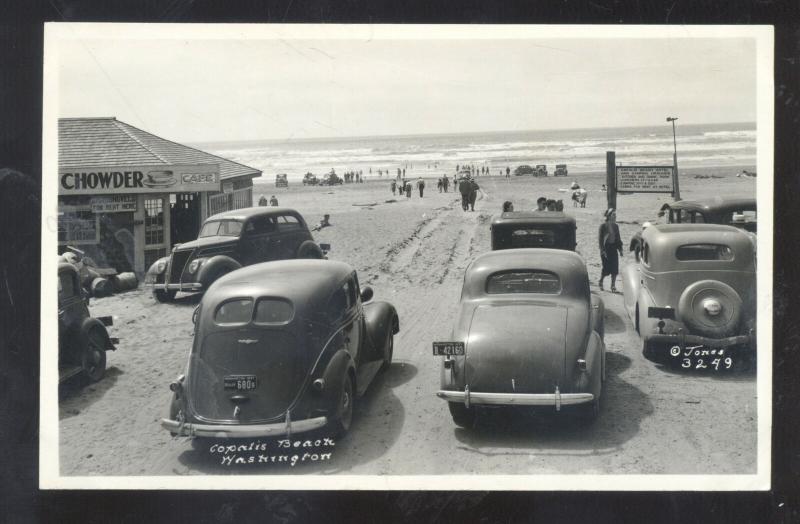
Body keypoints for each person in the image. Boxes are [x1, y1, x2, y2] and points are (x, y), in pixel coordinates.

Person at [598, 208, 624, 292]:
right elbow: (600, 239)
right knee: (606, 268)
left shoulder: (616, 226)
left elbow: (618, 239)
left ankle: (613, 286)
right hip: (606, 249)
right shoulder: (603, 226)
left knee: (615, 268)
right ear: (609, 216)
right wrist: (602, 250)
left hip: (613, 248)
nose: (615, 216)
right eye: (613, 215)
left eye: (615, 215)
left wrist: (620, 250)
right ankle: (601, 281)